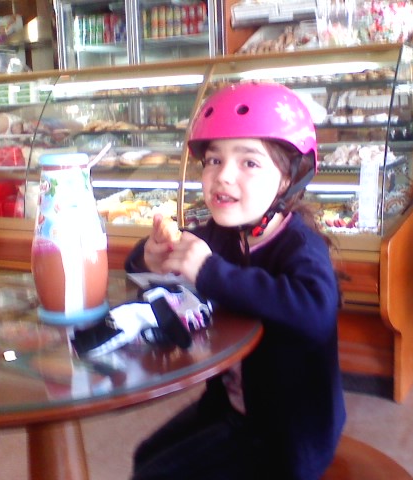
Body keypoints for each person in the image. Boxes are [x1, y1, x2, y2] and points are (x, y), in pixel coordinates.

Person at [125, 82, 346, 480]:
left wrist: (210, 272)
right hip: (231, 407)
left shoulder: (299, 246)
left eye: (249, 163)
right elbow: (161, 263)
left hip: (284, 435)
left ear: (287, 179)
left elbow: (315, 312)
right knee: (146, 457)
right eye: (213, 160)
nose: (223, 176)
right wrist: (149, 255)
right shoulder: (221, 234)